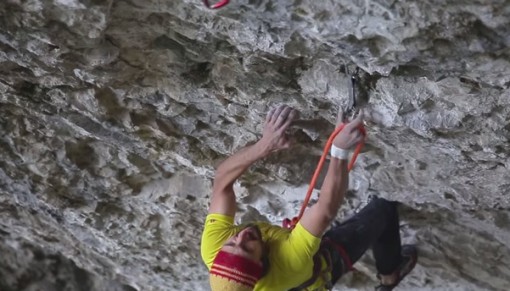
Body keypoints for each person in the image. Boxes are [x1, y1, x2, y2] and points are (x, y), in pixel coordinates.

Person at [200, 104, 417, 291]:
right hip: (318, 272)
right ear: (262, 263)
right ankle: (390, 274)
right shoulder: (289, 262)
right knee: (383, 208)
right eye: (248, 248)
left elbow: (221, 183)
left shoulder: (213, 248)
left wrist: (264, 146)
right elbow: (325, 211)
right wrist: (339, 150)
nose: (242, 236)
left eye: (231, 243)